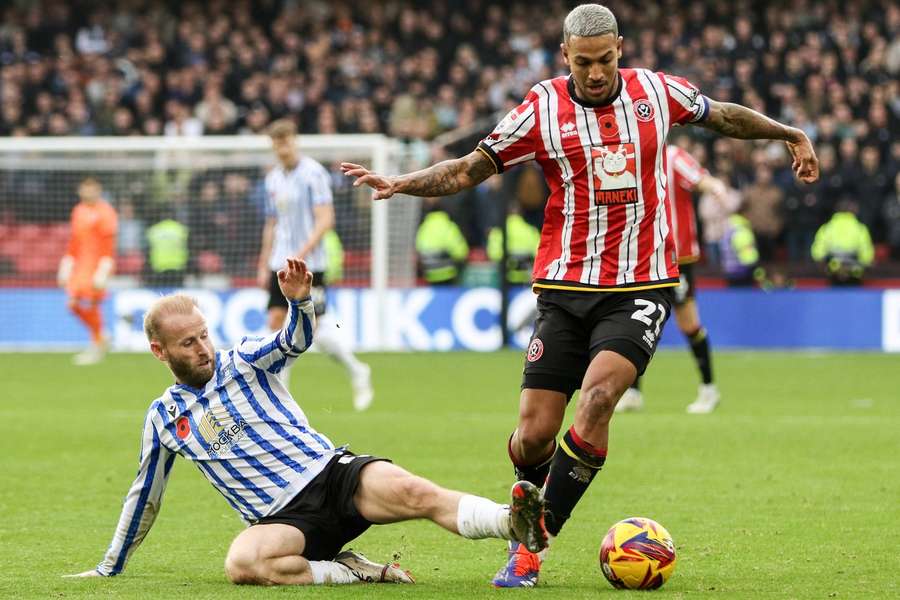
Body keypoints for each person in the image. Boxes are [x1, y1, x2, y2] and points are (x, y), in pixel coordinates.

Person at [341, 3, 818, 588]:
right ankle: (529, 493)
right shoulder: (542, 107)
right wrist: (401, 183)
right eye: (585, 62)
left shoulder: (655, 92)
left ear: (621, 47)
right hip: (564, 289)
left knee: (597, 399)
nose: (596, 73)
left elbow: (723, 117)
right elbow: (470, 169)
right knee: (534, 434)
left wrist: (788, 132)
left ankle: (533, 544)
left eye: (607, 60)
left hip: (641, 285)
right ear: (565, 55)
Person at [65, 258, 548, 585]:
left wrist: (300, 303)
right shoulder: (164, 419)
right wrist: (110, 567)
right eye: (187, 343)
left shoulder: (245, 360)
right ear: (160, 352)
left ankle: (514, 524)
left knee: (419, 494)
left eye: (204, 336)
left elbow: (293, 342)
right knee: (243, 563)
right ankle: (351, 571)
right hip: (285, 522)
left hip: (333, 477)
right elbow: (145, 496)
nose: (202, 348)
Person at [257, 119, 373, 411]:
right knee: (275, 324)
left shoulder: (313, 174)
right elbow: (271, 223)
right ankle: (279, 396)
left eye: (286, 141)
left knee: (316, 331)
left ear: (295, 140)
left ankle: (357, 370)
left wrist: (302, 252)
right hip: (279, 263)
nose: (282, 148)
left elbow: (325, 219)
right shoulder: (273, 179)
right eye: (277, 143)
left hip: (310, 264)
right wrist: (263, 262)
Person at [617, 144, 729, 414]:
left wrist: (714, 186)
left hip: (677, 257)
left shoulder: (673, 156)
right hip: (642, 255)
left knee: (688, 323)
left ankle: (708, 389)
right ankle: (632, 391)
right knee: (633, 321)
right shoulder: (631, 154)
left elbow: (699, 178)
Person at [57, 177, 118, 365]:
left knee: (92, 304)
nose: (88, 192)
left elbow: (109, 243)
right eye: (85, 189)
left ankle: (96, 345)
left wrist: (104, 267)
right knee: (73, 304)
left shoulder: (106, 212)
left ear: (98, 190)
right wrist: (67, 263)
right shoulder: (78, 211)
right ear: (80, 191)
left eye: (92, 189)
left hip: (97, 265)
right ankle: (101, 335)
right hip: (80, 266)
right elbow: (74, 241)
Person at [811, 200, 874, 286]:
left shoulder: (827, 228)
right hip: (854, 272)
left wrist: (829, 267)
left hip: (833, 271)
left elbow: (817, 253)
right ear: (853, 211)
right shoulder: (860, 228)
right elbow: (867, 256)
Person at [415, 197, 470, 285]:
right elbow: (461, 252)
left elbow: (419, 249)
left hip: (430, 274)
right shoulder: (449, 226)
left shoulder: (423, 227)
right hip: (448, 274)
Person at [487, 208, 542, 285]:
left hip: (504, 282)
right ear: (521, 213)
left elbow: (493, 255)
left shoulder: (497, 232)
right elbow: (539, 255)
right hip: (526, 281)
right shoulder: (532, 231)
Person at [720, 208, 762, 287]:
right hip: (742, 272)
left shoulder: (730, 228)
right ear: (745, 215)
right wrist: (756, 269)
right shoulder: (742, 231)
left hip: (729, 269)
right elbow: (748, 257)